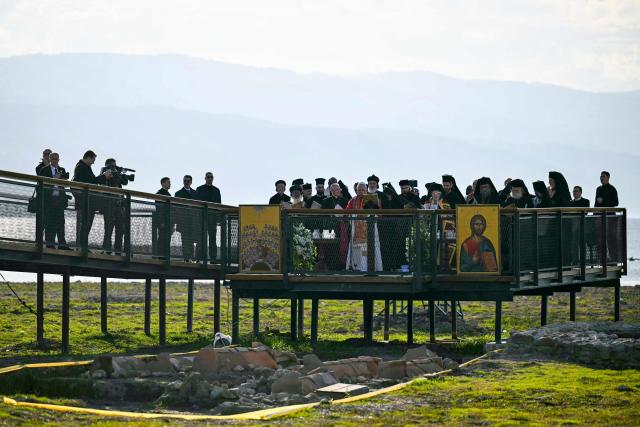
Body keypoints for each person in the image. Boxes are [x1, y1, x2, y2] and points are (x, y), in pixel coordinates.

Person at [73, 150, 110, 248]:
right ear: (89, 157)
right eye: (93, 160)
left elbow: (91, 181)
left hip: (88, 202)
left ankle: (83, 246)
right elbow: (91, 182)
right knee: (85, 226)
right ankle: (82, 247)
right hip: (86, 202)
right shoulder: (81, 167)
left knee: (86, 226)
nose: (93, 162)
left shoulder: (83, 167)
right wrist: (103, 176)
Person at [346, 182, 383, 271]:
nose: (361, 192)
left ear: (366, 190)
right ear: (356, 190)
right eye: (359, 190)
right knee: (359, 250)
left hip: (370, 230)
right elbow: (346, 213)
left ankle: (372, 268)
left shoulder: (372, 198)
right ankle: (357, 267)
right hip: (357, 231)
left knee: (370, 248)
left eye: (363, 190)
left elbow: (379, 213)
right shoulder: (352, 200)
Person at [37, 152, 70, 249]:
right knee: (50, 223)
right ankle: (50, 244)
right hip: (49, 200)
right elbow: (41, 185)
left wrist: (64, 182)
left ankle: (62, 244)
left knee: (61, 223)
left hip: (59, 200)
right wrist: (53, 179)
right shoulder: (44, 170)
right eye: (54, 159)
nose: (55, 161)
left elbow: (65, 185)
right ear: (50, 159)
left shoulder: (62, 170)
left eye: (57, 159)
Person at [100, 158, 130, 254]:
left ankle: (118, 250)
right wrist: (117, 172)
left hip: (120, 204)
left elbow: (125, 182)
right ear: (108, 165)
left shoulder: (117, 173)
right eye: (113, 165)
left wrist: (123, 173)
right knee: (108, 228)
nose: (115, 167)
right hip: (109, 203)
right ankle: (107, 249)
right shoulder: (105, 171)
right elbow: (107, 179)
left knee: (120, 228)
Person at [196, 172, 222, 261]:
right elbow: (197, 204)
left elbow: (219, 205)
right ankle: (199, 258)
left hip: (213, 218)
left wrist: (219, 219)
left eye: (211, 177)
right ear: (205, 178)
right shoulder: (199, 189)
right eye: (208, 177)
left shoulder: (216, 190)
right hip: (202, 217)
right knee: (201, 238)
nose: (210, 178)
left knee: (212, 239)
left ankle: (213, 258)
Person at [175, 175, 201, 261]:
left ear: (191, 182)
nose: (186, 182)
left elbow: (198, 207)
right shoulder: (178, 193)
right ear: (183, 181)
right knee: (185, 240)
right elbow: (176, 208)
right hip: (183, 221)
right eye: (185, 181)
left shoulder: (196, 193)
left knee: (193, 240)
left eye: (188, 181)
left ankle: (194, 257)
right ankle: (187, 258)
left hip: (194, 221)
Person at [153, 177, 172, 258]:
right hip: (163, 220)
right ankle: (160, 255)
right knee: (162, 238)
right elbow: (159, 209)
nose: (170, 183)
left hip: (168, 220)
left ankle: (164, 255)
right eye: (168, 182)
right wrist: (162, 222)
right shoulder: (159, 194)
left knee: (167, 238)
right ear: (163, 183)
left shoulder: (168, 194)